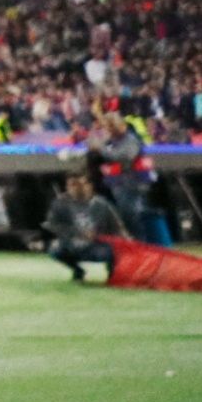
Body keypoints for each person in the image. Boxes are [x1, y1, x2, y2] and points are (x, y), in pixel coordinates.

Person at [89, 112, 168, 246]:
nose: (106, 131)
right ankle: (132, 248)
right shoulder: (111, 142)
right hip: (118, 184)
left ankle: (141, 249)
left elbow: (124, 156)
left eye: (108, 127)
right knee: (123, 219)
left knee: (132, 218)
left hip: (132, 184)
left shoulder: (130, 140)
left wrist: (101, 149)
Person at [42, 172, 115, 283]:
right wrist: (76, 233)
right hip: (72, 244)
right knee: (55, 249)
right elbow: (52, 224)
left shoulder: (101, 204)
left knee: (113, 251)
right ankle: (78, 271)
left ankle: (112, 274)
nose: (74, 188)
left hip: (97, 245)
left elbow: (115, 226)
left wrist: (100, 235)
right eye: (71, 185)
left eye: (78, 184)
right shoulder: (60, 204)